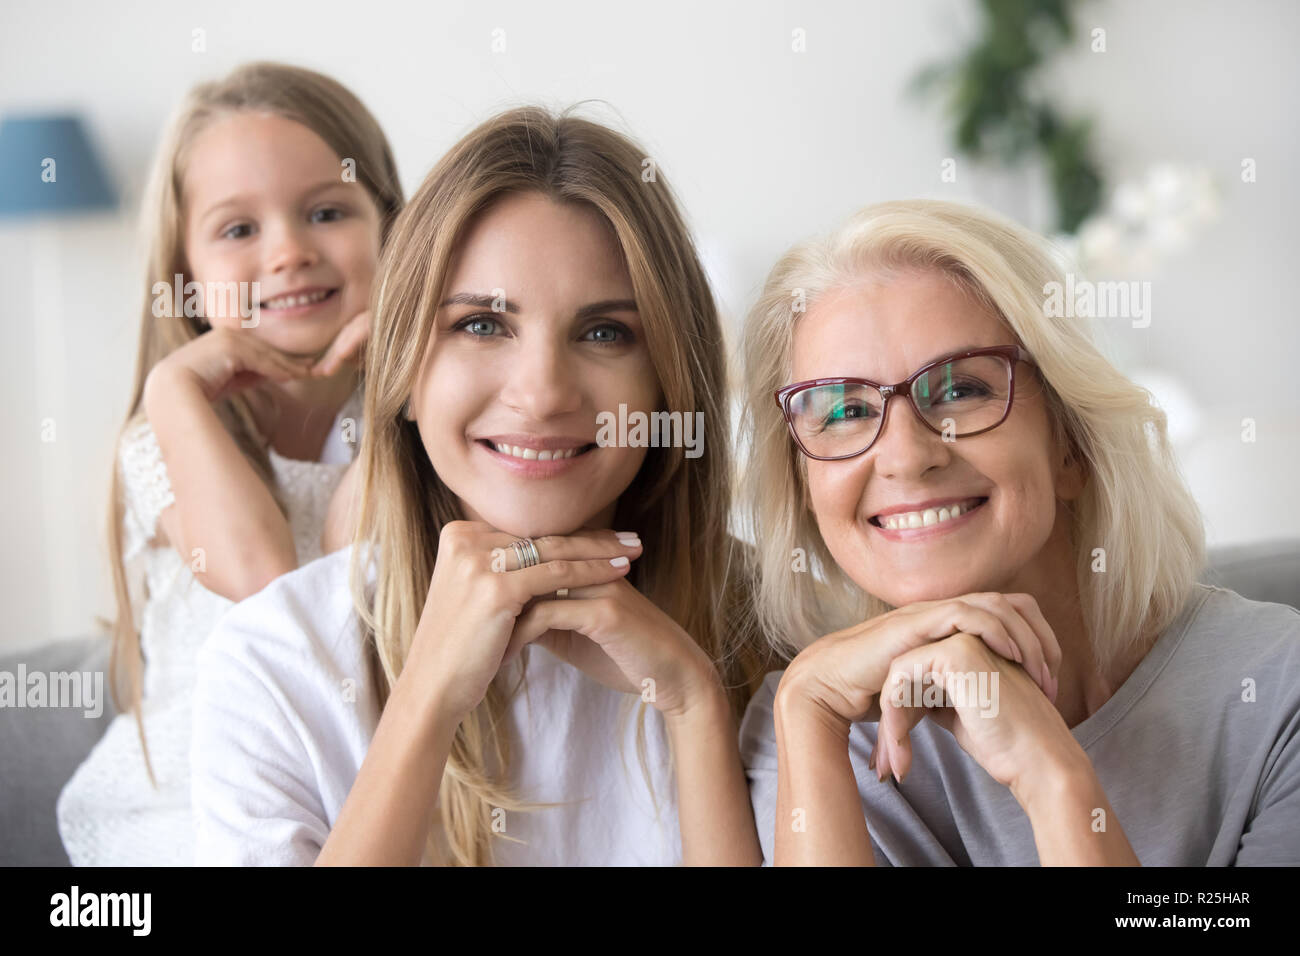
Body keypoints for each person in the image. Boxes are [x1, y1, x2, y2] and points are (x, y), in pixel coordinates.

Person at [191, 106, 769, 866]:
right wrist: (426, 701)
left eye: (604, 333)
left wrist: (695, 702)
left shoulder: (774, 626)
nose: (542, 394)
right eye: (482, 325)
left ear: (670, 382)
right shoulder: (271, 662)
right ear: (400, 368)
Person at [739, 199, 1300, 865]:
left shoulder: (1276, 695)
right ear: (803, 486)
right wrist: (808, 713)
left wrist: (1054, 782)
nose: (906, 456)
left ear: (1070, 444)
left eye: (960, 391)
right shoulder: (813, 721)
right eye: (846, 409)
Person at [57, 62, 402, 865]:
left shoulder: (418, 413)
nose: (288, 252)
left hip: (365, 784)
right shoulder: (161, 433)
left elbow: (356, 575)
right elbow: (265, 576)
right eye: (239, 229)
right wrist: (173, 387)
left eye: (327, 211)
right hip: (200, 797)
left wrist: (403, 375)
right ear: (184, 273)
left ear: (395, 226)